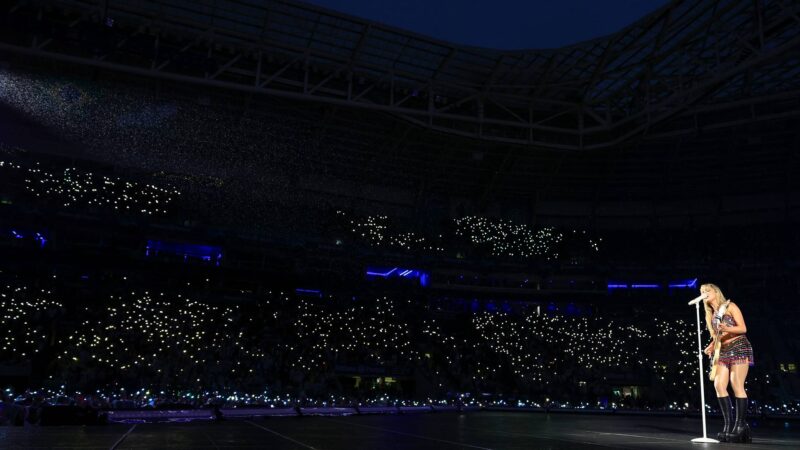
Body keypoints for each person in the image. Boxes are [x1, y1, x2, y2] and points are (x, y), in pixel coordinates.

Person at [701, 283, 754, 443]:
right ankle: (728, 426)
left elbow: (743, 328)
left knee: (736, 383)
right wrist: (711, 345)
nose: (704, 293)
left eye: (707, 290)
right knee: (719, 384)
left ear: (716, 292)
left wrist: (727, 328)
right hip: (722, 350)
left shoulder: (730, 306)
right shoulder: (710, 315)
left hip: (739, 346)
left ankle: (740, 427)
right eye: (702, 291)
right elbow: (717, 336)